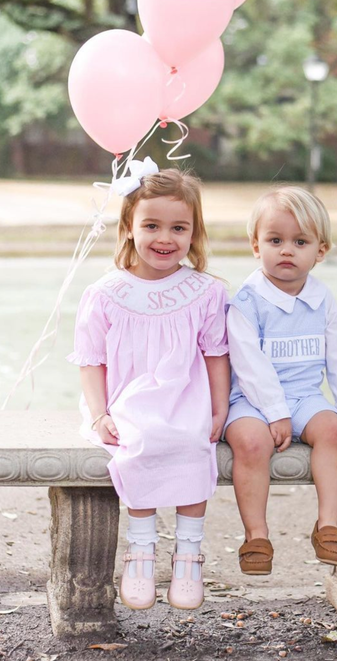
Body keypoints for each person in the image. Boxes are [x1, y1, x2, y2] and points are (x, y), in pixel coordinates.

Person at [67, 158, 230, 611]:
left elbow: (216, 355)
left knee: (191, 440)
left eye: (179, 228)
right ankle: (140, 551)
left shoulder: (205, 291)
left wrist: (219, 409)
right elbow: (91, 361)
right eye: (152, 225)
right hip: (124, 395)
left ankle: (189, 553)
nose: (165, 238)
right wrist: (99, 413)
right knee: (138, 439)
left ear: (194, 233)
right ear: (129, 226)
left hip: (185, 393)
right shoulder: (105, 294)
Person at [225, 186, 337, 576]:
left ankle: (328, 525)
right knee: (251, 442)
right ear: (256, 246)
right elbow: (248, 365)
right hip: (251, 401)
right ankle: (256, 534)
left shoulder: (322, 298)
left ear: (320, 251)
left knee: (330, 429)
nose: (286, 250)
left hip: (304, 396)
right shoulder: (246, 301)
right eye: (275, 240)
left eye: (300, 241)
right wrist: (274, 413)